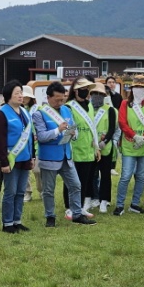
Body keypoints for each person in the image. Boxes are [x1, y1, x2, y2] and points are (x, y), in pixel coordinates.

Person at [33, 81, 95, 227]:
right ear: (48, 97)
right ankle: (50, 216)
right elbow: (41, 136)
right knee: (48, 190)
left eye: (62, 99)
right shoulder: (39, 113)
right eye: (57, 99)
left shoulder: (67, 110)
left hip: (66, 156)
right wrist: (58, 131)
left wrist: (73, 134)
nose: (60, 102)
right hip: (49, 157)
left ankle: (77, 214)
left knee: (76, 185)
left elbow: (74, 129)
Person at [114, 75, 144, 215]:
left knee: (141, 176)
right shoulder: (125, 104)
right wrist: (134, 136)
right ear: (132, 89)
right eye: (136, 87)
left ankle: (135, 203)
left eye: (142, 88)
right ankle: (120, 204)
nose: (139, 90)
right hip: (129, 144)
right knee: (126, 175)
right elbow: (122, 122)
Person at [0, 80, 35, 233]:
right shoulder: (2, 114)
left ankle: (17, 220)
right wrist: (4, 162)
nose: (20, 96)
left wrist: (32, 156)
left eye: (21, 93)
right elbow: (0, 140)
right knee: (10, 192)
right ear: (8, 96)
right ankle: (7, 223)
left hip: (25, 158)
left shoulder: (24, 112)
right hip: (11, 159)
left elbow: (30, 136)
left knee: (20, 191)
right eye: (17, 93)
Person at [66, 77, 101, 219]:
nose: (85, 92)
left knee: (85, 181)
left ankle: (80, 207)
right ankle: (69, 207)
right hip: (74, 149)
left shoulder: (90, 105)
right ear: (75, 91)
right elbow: (68, 130)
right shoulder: (68, 106)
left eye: (87, 89)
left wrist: (96, 147)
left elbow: (92, 127)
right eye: (82, 89)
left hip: (89, 149)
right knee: (72, 181)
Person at [89, 82, 116, 214]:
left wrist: (104, 142)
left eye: (100, 94)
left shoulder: (109, 110)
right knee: (90, 175)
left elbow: (112, 128)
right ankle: (91, 198)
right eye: (94, 94)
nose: (97, 96)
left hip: (105, 147)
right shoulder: (87, 109)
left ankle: (104, 200)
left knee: (105, 175)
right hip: (90, 147)